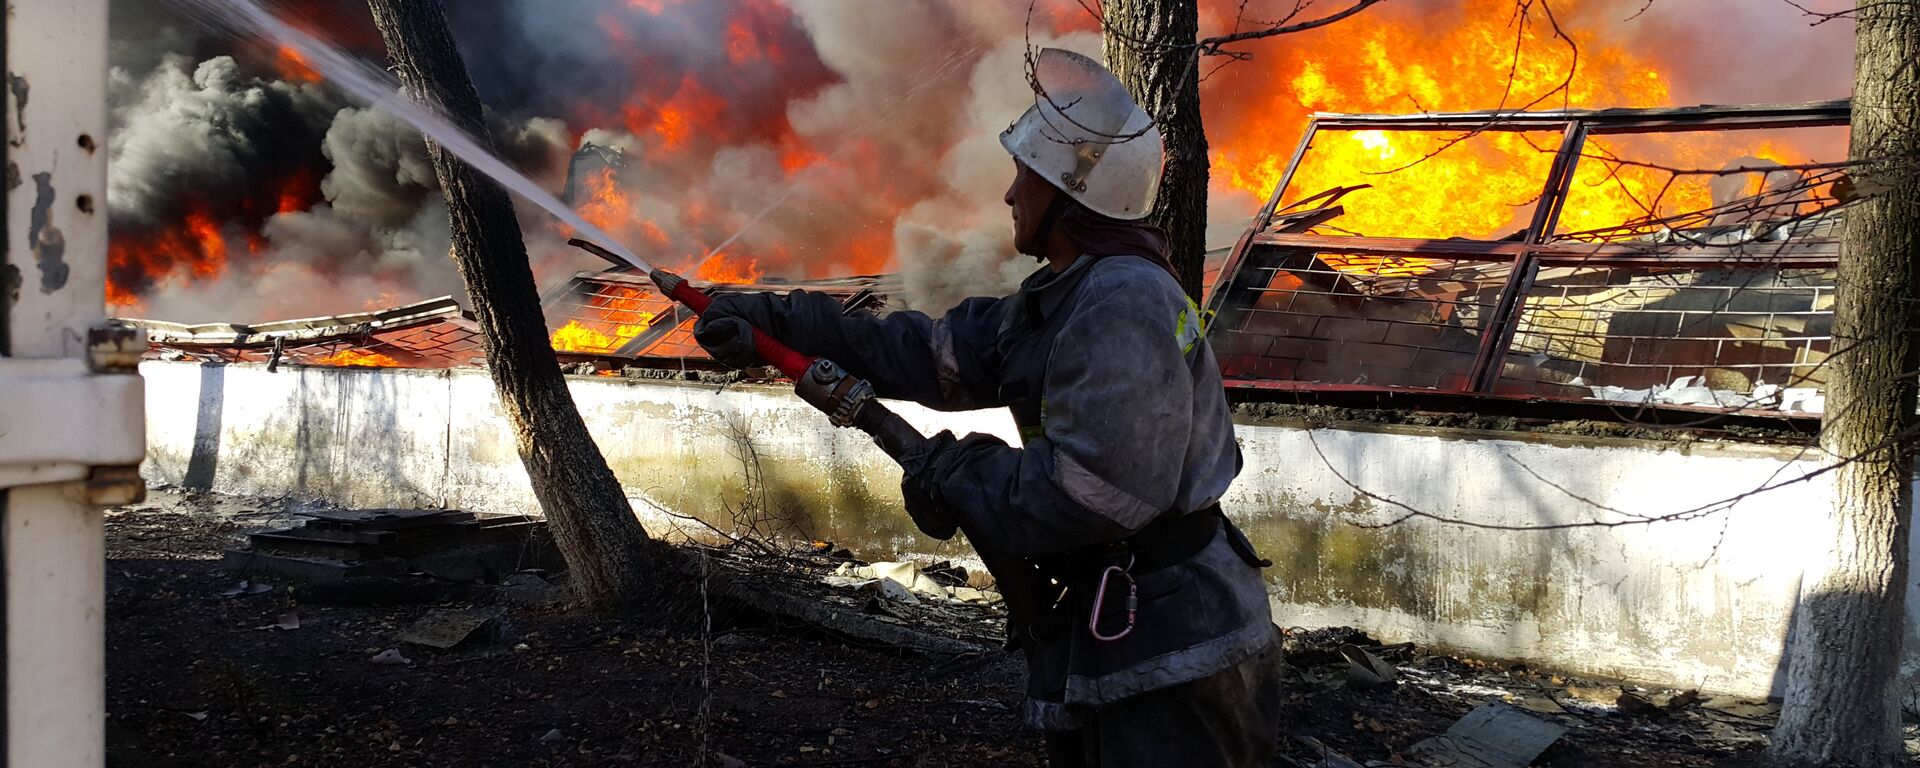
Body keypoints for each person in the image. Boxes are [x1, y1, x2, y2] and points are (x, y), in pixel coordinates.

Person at [692, 48, 1281, 767]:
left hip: (1180, 653)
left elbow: (1099, 492)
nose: (1008, 195)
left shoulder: (1122, 302)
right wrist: (774, 321)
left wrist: (956, 472)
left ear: (1071, 196)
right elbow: (927, 352)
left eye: (1024, 178)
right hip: (1132, 628)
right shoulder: (1066, 297)